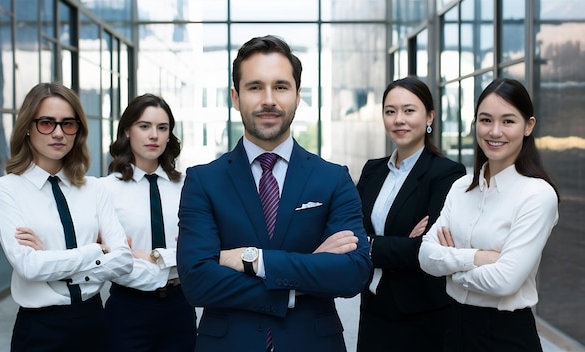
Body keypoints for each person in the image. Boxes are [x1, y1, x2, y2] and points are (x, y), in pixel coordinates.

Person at [176, 34, 372, 352]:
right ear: (236, 97)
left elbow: (352, 273)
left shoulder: (334, 178)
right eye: (255, 87)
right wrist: (302, 279)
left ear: (297, 95)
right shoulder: (203, 181)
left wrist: (254, 261)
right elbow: (197, 282)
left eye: (281, 87)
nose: (269, 99)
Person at [0, 82, 133, 351]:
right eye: (46, 123)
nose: (58, 133)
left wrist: (50, 259)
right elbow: (29, 268)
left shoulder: (94, 188)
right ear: (28, 128)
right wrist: (97, 250)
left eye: (68, 124)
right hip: (40, 330)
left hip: (94, 322)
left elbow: (123, 261)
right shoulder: (6, 189)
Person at [418, 78, 559, 351]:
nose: (495, 132)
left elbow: (505, 280)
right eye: (485, 120)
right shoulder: (460, 188)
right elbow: (425, 256)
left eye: (508, 121)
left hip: (506, 335)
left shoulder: (537, 195)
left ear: (528, 126)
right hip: (455, 325)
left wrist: (451, 270)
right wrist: (478, 258)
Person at [355, 77, 466, 352]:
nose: (398, 119)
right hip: (373, 307)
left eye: (409, 110)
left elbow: (430, 249)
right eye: (390, 111)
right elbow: (347, 233)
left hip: (422, 315)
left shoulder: (446, 173)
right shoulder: (373, 170)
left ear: (429, 116)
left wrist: (368, 244)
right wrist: (403, 243)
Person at [101, 93, 196, 351]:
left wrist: (150, 255)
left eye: (162, 128)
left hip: (180, 305)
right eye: (145, 126)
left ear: (169, 136)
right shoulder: (104, 191)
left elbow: (200, 251)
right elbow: (107, 257)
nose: (154, 135)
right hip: (128, 308)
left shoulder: (189, 186)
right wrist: (177, 254)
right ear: (127, 131)